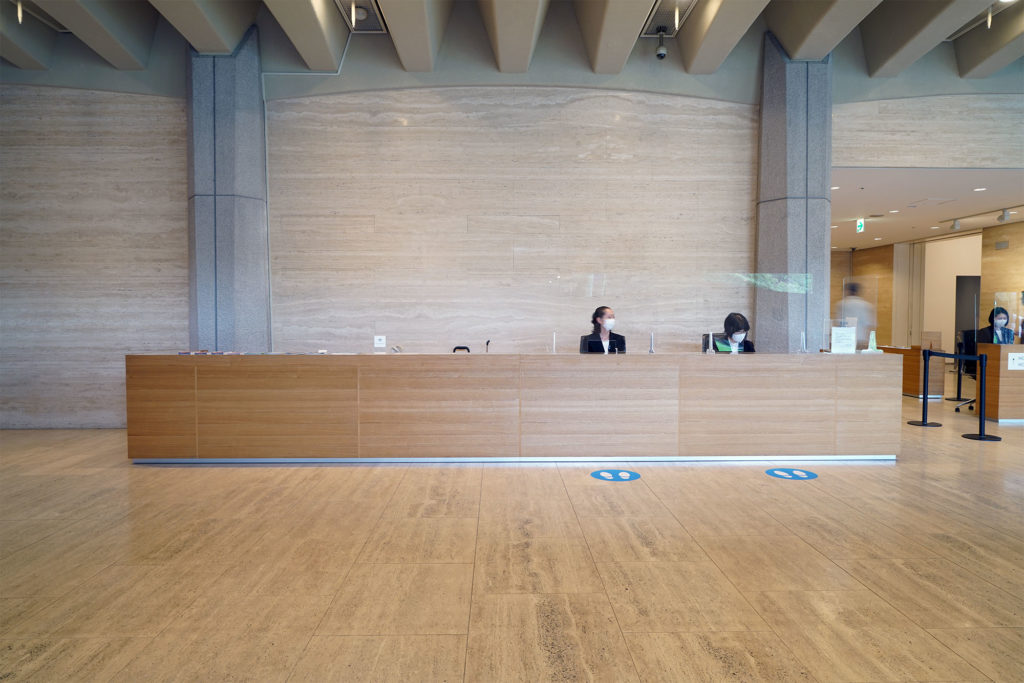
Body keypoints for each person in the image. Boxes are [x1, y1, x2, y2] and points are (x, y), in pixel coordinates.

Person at [836, 282, 876, 349]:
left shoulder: (841, 304)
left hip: (845, 340)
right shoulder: (866, 305)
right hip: (861, 340)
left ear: (847, 291)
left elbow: (838, 324)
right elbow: (869, 326)